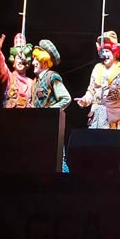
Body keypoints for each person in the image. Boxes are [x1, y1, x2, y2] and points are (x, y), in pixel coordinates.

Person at [75, 31, 120, 129]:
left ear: (115, 51)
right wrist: (85, 100)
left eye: (107, 51)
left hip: (113, 120)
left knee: (110, 143)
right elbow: (91, 91)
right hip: (95, 117)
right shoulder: (97, 68)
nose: (104, 54)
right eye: (103, 51)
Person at [31, 39, 72, 172]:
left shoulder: (52, 77)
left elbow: (66, 98)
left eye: (36, 59)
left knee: (57, 159)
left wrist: (49, 113)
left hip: (51, 127)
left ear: (43, 61)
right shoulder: (36, 81)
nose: (33, 63)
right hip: (38, 127)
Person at [0, 33, 33, 108]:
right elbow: (1, 65)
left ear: (27, 63)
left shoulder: (31, 83)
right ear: (13, 62)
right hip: (9, 117)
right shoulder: (9, 77)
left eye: (23, 59)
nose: (20, 61)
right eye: (18, 58)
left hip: (27, 117)